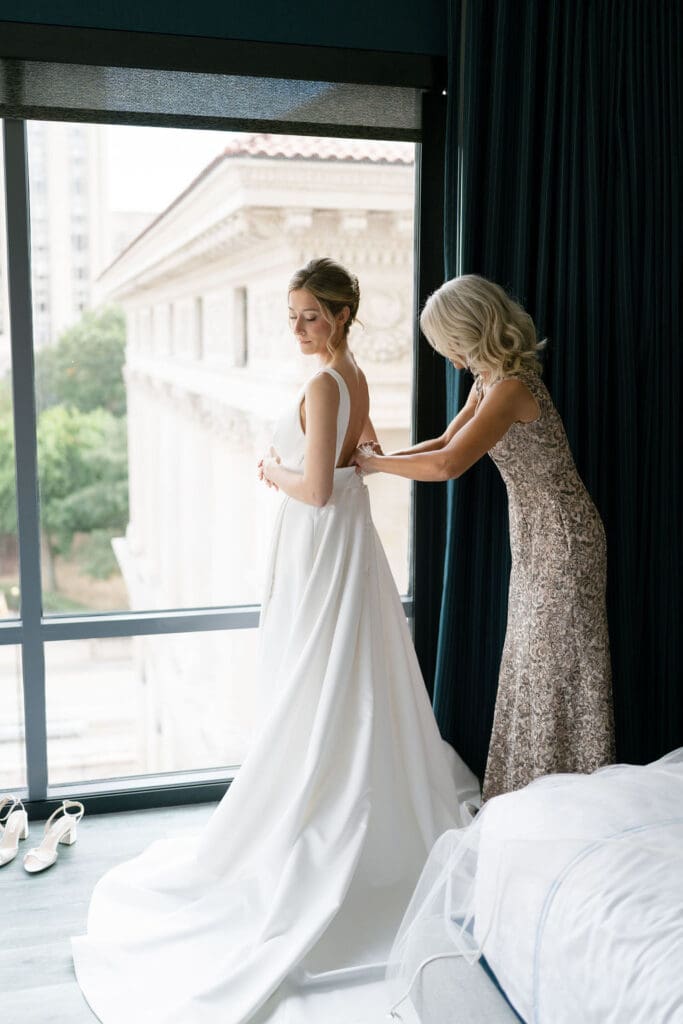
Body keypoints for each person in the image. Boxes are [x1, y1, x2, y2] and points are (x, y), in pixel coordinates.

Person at [71, 257, 479, 1024]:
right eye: (291, 315)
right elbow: (366, 455)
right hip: (342, 547)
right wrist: (324, 464)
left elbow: (320, 488)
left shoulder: (327, 381)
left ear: (340, 316)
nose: (297, 328)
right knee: (336, 678)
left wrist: (271, 468)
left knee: (318, 679)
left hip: (323, 542)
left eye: (310, 317)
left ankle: (317, 813)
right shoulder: (351, 373)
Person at [353, 274, 615, 801]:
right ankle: (526, 792)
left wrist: (375, 463)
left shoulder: (512, 388)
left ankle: (568, 798)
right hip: (535, 535)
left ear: (469, 331)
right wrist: (377, 463)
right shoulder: (487, 381)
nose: (448, 358)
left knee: (556, 669)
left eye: (447, 346)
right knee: (530, 662)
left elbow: (450, 463)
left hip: (564, 539)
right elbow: (444, 439)